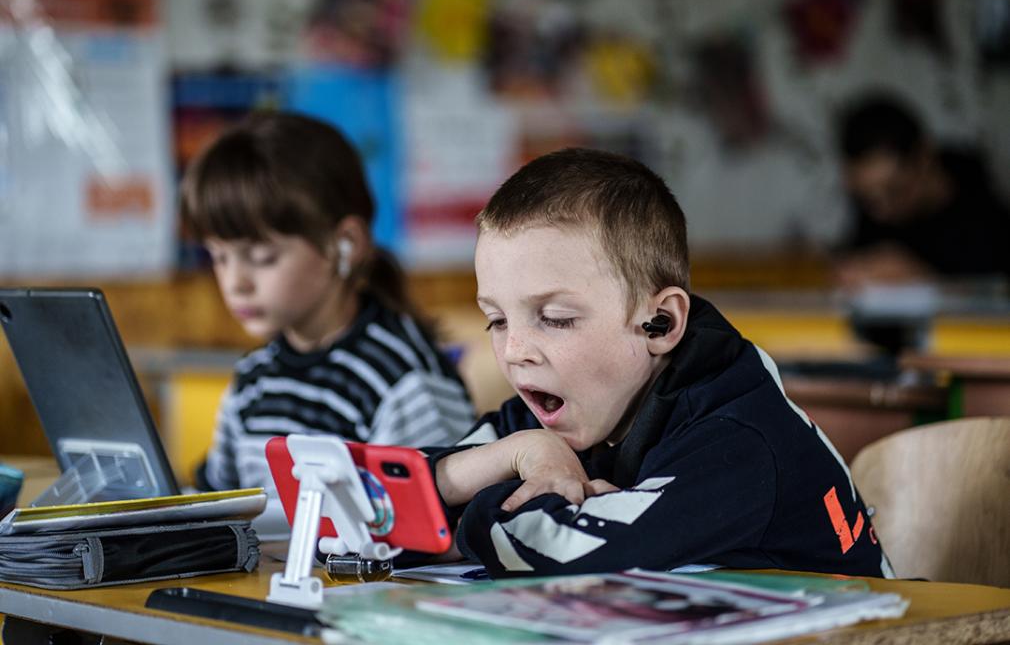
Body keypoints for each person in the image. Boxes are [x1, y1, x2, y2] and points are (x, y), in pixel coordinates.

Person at [430, 148, 891, 578]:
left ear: (661, 323)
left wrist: (455, 512)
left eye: (556, 318)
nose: (514, 351)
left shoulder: (740, 439)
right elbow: (373, 509)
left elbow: (563, 556)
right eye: (496, 320)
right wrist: (523, 453)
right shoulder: (550, 414)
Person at [181, 111, 475, 506]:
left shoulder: (404, 384)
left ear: (345, 244)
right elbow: (216, 504)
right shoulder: (252, 381)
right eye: (219, 257)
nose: (235, 283)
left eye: (262, 257)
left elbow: (440, 527)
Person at [834, 92, 1010, 287]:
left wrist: (927, 282)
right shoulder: (875, 210)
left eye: (894, 191)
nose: (880, 213)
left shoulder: (985, 216)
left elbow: (994, 298)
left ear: (924, 158)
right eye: (867, 199)